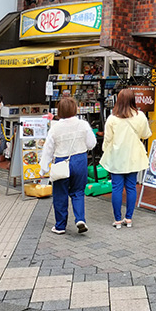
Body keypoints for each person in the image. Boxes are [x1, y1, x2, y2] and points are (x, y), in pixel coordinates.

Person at [40, 97, 96, 235]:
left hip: (61, 161)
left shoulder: (55, 127)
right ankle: (80, 219)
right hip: (80, 160)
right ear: (75, 109)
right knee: (78, 192)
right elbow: (91, 143)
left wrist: (44, 168)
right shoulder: (83, 124)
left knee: (60, 194)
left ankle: (60, 226)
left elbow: (48, 149)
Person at [101, 88, 151, 229]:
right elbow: (146, 134)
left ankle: (117, 220)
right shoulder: (140, 116)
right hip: (133, 156)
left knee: (116, 188)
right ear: (132, 100)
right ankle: (128, 218)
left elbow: (108, 139)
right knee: (131, 187)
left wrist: (105, 150)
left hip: (117, 157)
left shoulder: (112, 118)